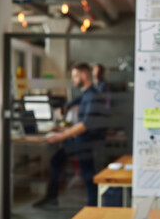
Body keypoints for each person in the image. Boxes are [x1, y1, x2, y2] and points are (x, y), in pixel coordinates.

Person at [34, 62, 107, 207]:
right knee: (57, 161)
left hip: (86, 142)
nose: (73, 80)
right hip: (80, 140)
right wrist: (65, 127)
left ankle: (93, 206)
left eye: (75, 76)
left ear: (84, 76)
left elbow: (85, 125)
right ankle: (52, 197)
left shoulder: (93, 96)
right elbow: (78, 109)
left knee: (88, 175)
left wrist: (62, 136)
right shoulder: (86, 94)